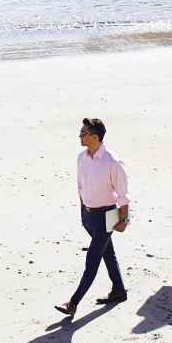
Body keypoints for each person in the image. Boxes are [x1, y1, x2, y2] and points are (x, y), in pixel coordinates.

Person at [57, 117, 129, 316]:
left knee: (93, 260)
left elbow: (123, 195)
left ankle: (73, 302)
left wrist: (123, 220)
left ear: (95, 137)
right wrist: (83, 211)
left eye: (83, 133)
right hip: (88, 215)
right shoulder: (81, 157)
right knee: (108, 253)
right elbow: (80, 186)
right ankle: (119, 290)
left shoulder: (112, 161)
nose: (80, 135)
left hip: (109, 214)